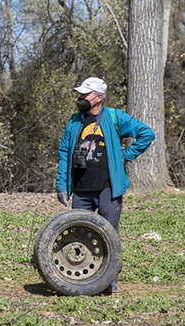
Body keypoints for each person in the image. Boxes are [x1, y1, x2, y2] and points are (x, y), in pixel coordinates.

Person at [56, 77, 155, 293]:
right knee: (80, 234)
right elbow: (64, 152)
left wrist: (126, 156)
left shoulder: (114, 116)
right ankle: (86, 278)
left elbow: (147, 134)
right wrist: (62, 185)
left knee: (108, 233)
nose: (80, 97)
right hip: (81, 189)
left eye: (85, 94)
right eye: (80, 94)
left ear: (99, 97)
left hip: (108, 188)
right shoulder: (74, 121)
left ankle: (109, 280)